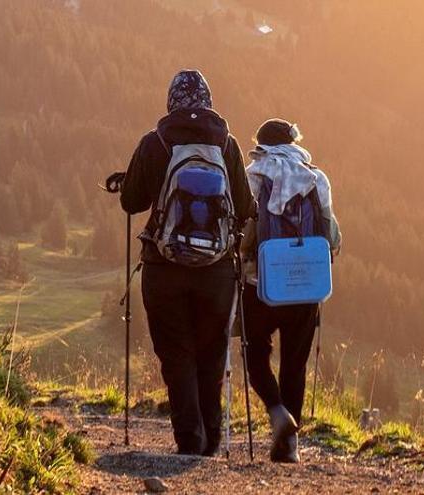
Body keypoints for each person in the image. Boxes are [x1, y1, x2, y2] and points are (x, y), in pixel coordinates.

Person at [119, 70, 255, 456]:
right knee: (212, 352)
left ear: (171, 102)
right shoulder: (227, 145)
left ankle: (189, 438)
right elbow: (244, 208)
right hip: (216, 272)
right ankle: (212, 439)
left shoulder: (155, 142)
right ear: (208, 102)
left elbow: (131, 202)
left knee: (176, 352)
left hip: (164, 268)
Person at [241, 118, 342, 463]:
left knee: (255, 355)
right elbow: (332, 237)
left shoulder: (251, 175)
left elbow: (240, 232)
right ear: (293, 141)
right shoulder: (315, 177)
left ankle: (276, 410)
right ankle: (290, 448)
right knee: (294, 365)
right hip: (306, 285)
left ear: (261, 143)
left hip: (261, 286)